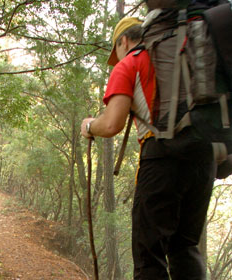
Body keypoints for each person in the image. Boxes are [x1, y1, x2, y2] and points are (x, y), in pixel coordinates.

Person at [81, 16, 215, 279]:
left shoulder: (130, 62)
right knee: (185, 247)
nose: (116, 59)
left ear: (123, 41)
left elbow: (111, 124)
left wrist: (88, 126)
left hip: (162, 159)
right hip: (205, 155)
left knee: (148, 255)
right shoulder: (186, 53)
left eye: (116, 51)